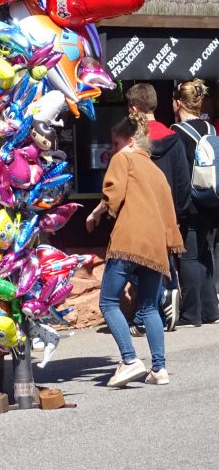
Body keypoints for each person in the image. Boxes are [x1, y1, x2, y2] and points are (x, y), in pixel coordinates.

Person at [87, 113, 184, 387]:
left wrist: (95, 213)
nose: (113, 150)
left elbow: (112, 194)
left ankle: (129, 360)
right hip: (155, 246)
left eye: (116, 143)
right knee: (150, 306)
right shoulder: (157, 171)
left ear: (130, 141)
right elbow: (169, 213)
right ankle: (160, 369)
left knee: (108, 301)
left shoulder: (124, 158)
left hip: (129, 241)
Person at [126, 83, 189, 332]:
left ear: (133, 108)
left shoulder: (133, 141)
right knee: (164, 259)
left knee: (137, 264)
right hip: (168, 210)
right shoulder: (174, 139)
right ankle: (168, 294)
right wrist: (179, 212)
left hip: (140, 210)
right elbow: (183, 181)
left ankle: (151, 310)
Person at [171, 79, 219, 326]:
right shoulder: (211, 130)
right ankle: (211, 311)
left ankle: (192, 313)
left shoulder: (177, 133)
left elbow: (178, 173)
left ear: (178, 104)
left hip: (190, 202)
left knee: (188, 257)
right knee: (206, 252)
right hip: (212, 199)